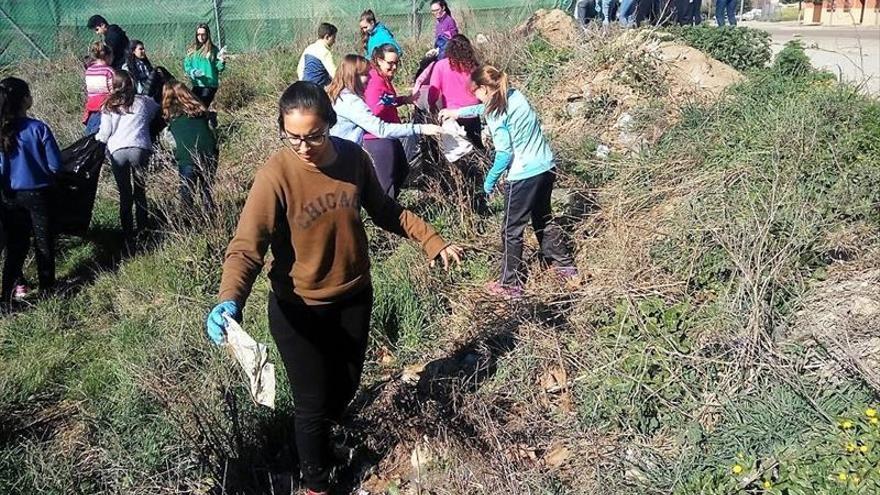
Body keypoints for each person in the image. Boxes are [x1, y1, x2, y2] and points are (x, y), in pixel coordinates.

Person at [205, 81, 463, 495]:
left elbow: (385, 210)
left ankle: (326, 445)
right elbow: (246, 247)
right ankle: (315, 484)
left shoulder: (353, 159)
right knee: (311, 401)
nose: (304, 146)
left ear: (330, 123)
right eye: (294, 138)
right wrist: (229, 300)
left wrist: (431, 239)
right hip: (298, 308)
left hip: (353, 296)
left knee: (343, 386)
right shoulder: (276, 175)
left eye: (314, 135)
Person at [440, 66, 577, 297]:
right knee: (543, 218)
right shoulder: (515, 95)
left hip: (523, 175)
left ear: (484, 88)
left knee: (510, 230)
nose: (476, 97)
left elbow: (504, 153)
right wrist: (457, 112)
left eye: (476, 92)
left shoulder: (496, 112)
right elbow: (486, 108)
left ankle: (510, 284)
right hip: (546, 166)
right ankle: (566, 268)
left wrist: (489, 181)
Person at [0, 77, 61, 303]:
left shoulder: (3, 131)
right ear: (25, 99)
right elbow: (55, 165)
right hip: (38, 194)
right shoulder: (38, 129)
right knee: (43, 242)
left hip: (8, 196)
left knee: (15, 247)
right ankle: (47, 291)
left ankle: (8, 295)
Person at [95, 71, 161, 240]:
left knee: (125, 193)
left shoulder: (108, 106)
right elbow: (157, 110)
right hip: (140, 148)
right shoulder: (143, 101)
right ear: (132, 83)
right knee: (140, 190)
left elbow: (104, 133)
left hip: (118, 152)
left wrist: (96, 140)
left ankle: (127, 233)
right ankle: (143, 229)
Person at [329, 54, 441, 146]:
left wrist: (403, 100)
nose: (369, 77)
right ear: (352, 76)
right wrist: (420, 128)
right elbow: (380, 129)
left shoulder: (341, 95)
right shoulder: (351, 102)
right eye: (364, 74)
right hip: (346, 155)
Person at [363, 44, 419, 199]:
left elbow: (388, 101)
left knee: (402, 170)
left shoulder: (384, 78)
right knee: (386, 181)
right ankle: (387, 213)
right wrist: (385, 103)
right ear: (379, 60)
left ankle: (390, 207)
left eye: (396, 63)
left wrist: (404, 100)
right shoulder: (375, 81)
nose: (394, 67)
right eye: (390, 63)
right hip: (377, 137)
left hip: (390, 132)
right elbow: (372, 110)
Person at [161, 80, 218, 212]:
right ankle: (211, 217)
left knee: (187, 194)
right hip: (210, 152)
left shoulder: (171, 116)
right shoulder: (201, 111)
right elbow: (212, 129)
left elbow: (169, 142)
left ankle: (189, 222)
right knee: (207, 190)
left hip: (187, 157)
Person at [428, 34, 481, 146]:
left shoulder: (440, 66)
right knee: (477, 146)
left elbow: (433, 93)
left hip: (451, 115)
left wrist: (432, 107)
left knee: (457, 151)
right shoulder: (474, 66)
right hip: (473, 113)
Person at [184, 23, 226, 108]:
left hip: (209, 85)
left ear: (207, 35)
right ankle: (211, 118)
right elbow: (187, 65)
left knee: (201, 108)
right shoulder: (192, 50)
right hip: (197, 84)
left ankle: (208, 119)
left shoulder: (213, 50)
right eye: (198, 34)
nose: (200, 37)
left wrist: (222, 60)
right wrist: (192, 72)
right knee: (192, 108)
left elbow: (219, 68)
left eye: (203, 34)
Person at [83, 41, 115, 135]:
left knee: (90, 134)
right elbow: (112, 90)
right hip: (105, 106)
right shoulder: (109, 71)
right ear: (107, 56)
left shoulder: (89, 70)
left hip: (91, 106)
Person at [297, 23, 338, 87]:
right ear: (327, 37)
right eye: (333, 38)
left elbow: (300, 68)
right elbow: (334, 73)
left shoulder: (309, 48)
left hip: (304, 87)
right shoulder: (325, 52)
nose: (334, 41)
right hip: (317, 90)